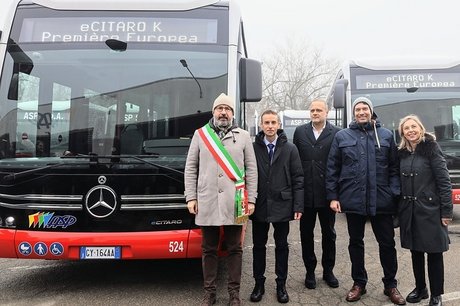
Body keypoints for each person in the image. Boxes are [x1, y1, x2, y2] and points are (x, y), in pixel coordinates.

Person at [326, 97, 406, 305]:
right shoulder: (342, 136)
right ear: (354, 113)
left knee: (387, 244)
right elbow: (332, 168)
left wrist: (393, 192)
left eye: (365, 108)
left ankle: (391, 285)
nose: (361, 112)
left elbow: (395, 169)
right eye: (358, 109)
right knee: (355, 243)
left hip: (382, 200)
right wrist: (333, 196)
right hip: (353, 200)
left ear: (372, 111)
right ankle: (359, 283)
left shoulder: (386, 135)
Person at [184, 93, 257, 306]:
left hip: (236, 202)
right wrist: (191, 197)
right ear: (213, 112)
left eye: (227, 109)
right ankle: (210, 293)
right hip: (206, 200)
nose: (223, 112)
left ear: (232, 113)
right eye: (219, 108)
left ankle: (234, 294)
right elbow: (190, 168)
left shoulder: (243, 136)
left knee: (235, 248)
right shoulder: (200, 135)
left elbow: (251, 169)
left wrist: (250, 199)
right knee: (208, 249)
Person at [397, 115, 452, 306]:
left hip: (431, 210)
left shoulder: (432, 149)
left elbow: (444, 181)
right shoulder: (402, 153)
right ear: (402, 132)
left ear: (420, 128)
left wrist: (446, 211)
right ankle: (421, 289)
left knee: (434, 253)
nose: (410, 130)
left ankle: (437, 294)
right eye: (406, 128)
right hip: (409, 211)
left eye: (414, 126)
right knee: (416, 251)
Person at [250, 110, 304, 303]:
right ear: (261, 125)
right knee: (258, 246)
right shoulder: (252, 148)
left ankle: (281, 284)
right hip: (260, 205)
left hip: (283, 204)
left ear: (279, 124)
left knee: (282, 246)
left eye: (273, 122)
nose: (270, 126)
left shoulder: (290, 148)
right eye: (266, 122)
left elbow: (298, 178)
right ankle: (259, 283)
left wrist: (298, 206)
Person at [293, 99, 340, 289]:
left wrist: (336, 194)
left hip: (327, 193)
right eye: (312, 110)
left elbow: (338, 163)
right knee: (306, 234)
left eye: (319, 110)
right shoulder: (300, 132)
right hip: (306, 193)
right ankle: (310, 271)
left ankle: (328, 271)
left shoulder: (336, 133)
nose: (315, 113)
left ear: (326, 112)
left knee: (329, 234)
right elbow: (296, 163)